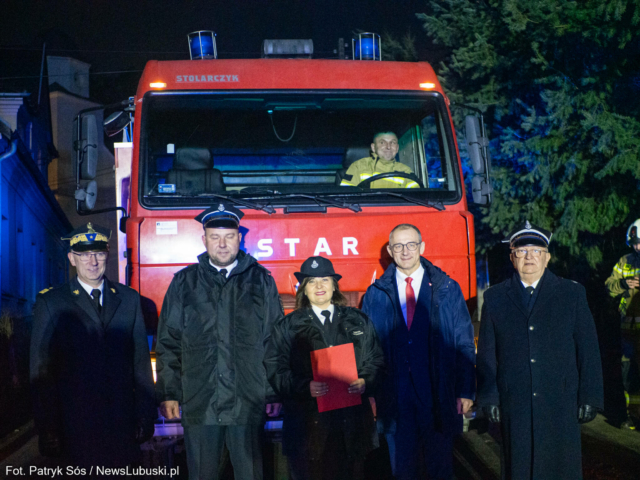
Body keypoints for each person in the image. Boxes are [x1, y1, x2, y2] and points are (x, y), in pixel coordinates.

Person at [156, 203, 283, 480]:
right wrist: (169, 392)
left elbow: (274, 342)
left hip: (247, 403)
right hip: (201, 403)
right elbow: (169, 342)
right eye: (215, 237)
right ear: (204, 240)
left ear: (240, 238)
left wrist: (273, 392)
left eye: (229, 237)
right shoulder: (184, 282)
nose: (222, 244)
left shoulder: (261, 281)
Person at [477, 221, 604, 480]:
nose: (529, 257)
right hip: (517, 401)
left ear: (547, 258)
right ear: (512, 258)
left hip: (560, 400)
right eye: (522, 252)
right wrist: (489, 397)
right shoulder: (495, 298)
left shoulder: (572, 294)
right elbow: (488, 354)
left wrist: (591, 396)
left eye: (536, 251)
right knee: (520, 467)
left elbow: (588, 349)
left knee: (561, 467)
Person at [30, 222, 156, 470]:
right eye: (84, 255)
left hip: (121, 423)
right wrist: (47, 426)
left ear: (107, 255)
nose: (92, 261)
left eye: (98, 254)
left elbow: (140, 362)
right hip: (74, 426)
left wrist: (145, 413)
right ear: (72, 259)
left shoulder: (129, 299)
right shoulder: (52, 302)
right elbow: (41, 371)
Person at [362, 224, 475, 480]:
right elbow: (367, 349)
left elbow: (463, 342)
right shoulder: (375, 294)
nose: (405, 251)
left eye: (411, 244)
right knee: (402, 470)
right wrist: (370, 393)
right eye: (398, 246)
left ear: (422, 247)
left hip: (438, 394)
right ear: (390, 251)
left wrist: (465, 389)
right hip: (394, 397)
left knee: (440, 469)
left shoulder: (447, 288)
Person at [264, 256, 385, 480]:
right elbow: (275, 368)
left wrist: (365, 380)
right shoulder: (287, 327)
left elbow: (376, 359)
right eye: (312, 281)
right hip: (306, 428)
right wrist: (304, 386)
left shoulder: (359, 321)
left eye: (325, 280)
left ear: (334, 285)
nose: (319, 286)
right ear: (304, 289)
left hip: (352, 428)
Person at [604, 218, 640, 428]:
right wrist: (623, 283)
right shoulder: (625, 261)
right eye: (634, 243)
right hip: (627, 332)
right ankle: (632, 417)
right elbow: (609, 286)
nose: (637, 247)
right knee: (629, 375)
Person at [339, 131, 420, 189]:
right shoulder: (358, 166)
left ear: (397, 148)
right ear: (373, 148)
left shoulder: (405, 171)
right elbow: (346, 197)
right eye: (382, 143)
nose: (388, 147)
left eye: (393, 143)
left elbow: (417, 197)